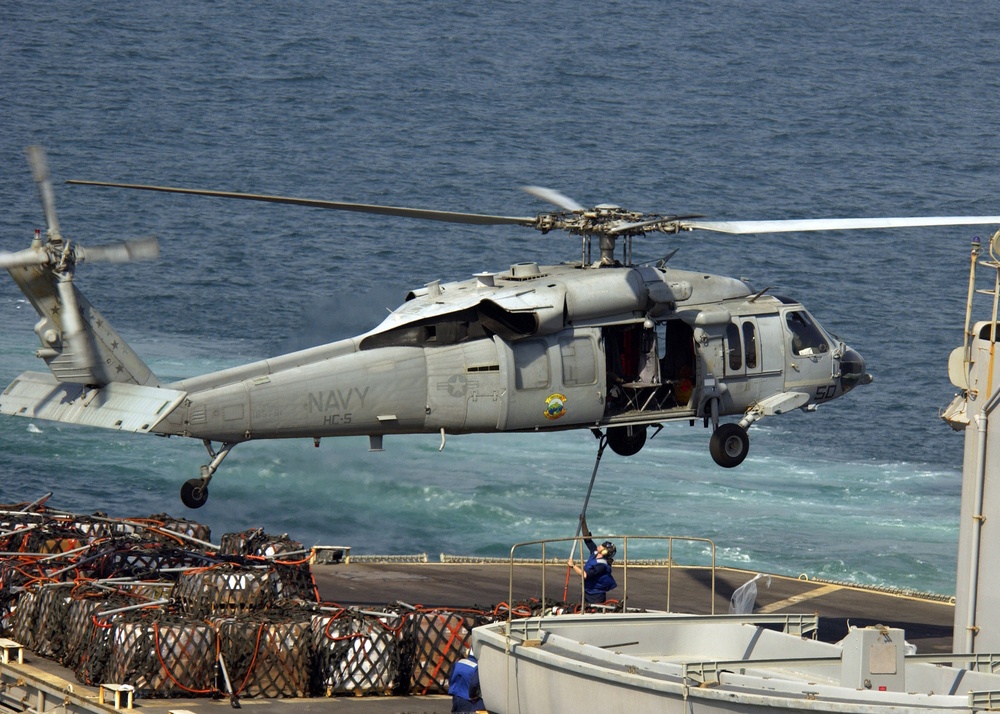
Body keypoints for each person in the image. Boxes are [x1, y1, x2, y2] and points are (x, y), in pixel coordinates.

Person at [567, 517, 617, 604]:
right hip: (586, 591)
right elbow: (587, 539)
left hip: (596, 596)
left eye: (603, 545)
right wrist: (583, 522)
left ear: (605, 551)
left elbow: (585, 575)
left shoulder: (602, 566)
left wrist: (573, 566)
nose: (600, 545)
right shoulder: (595, 553)